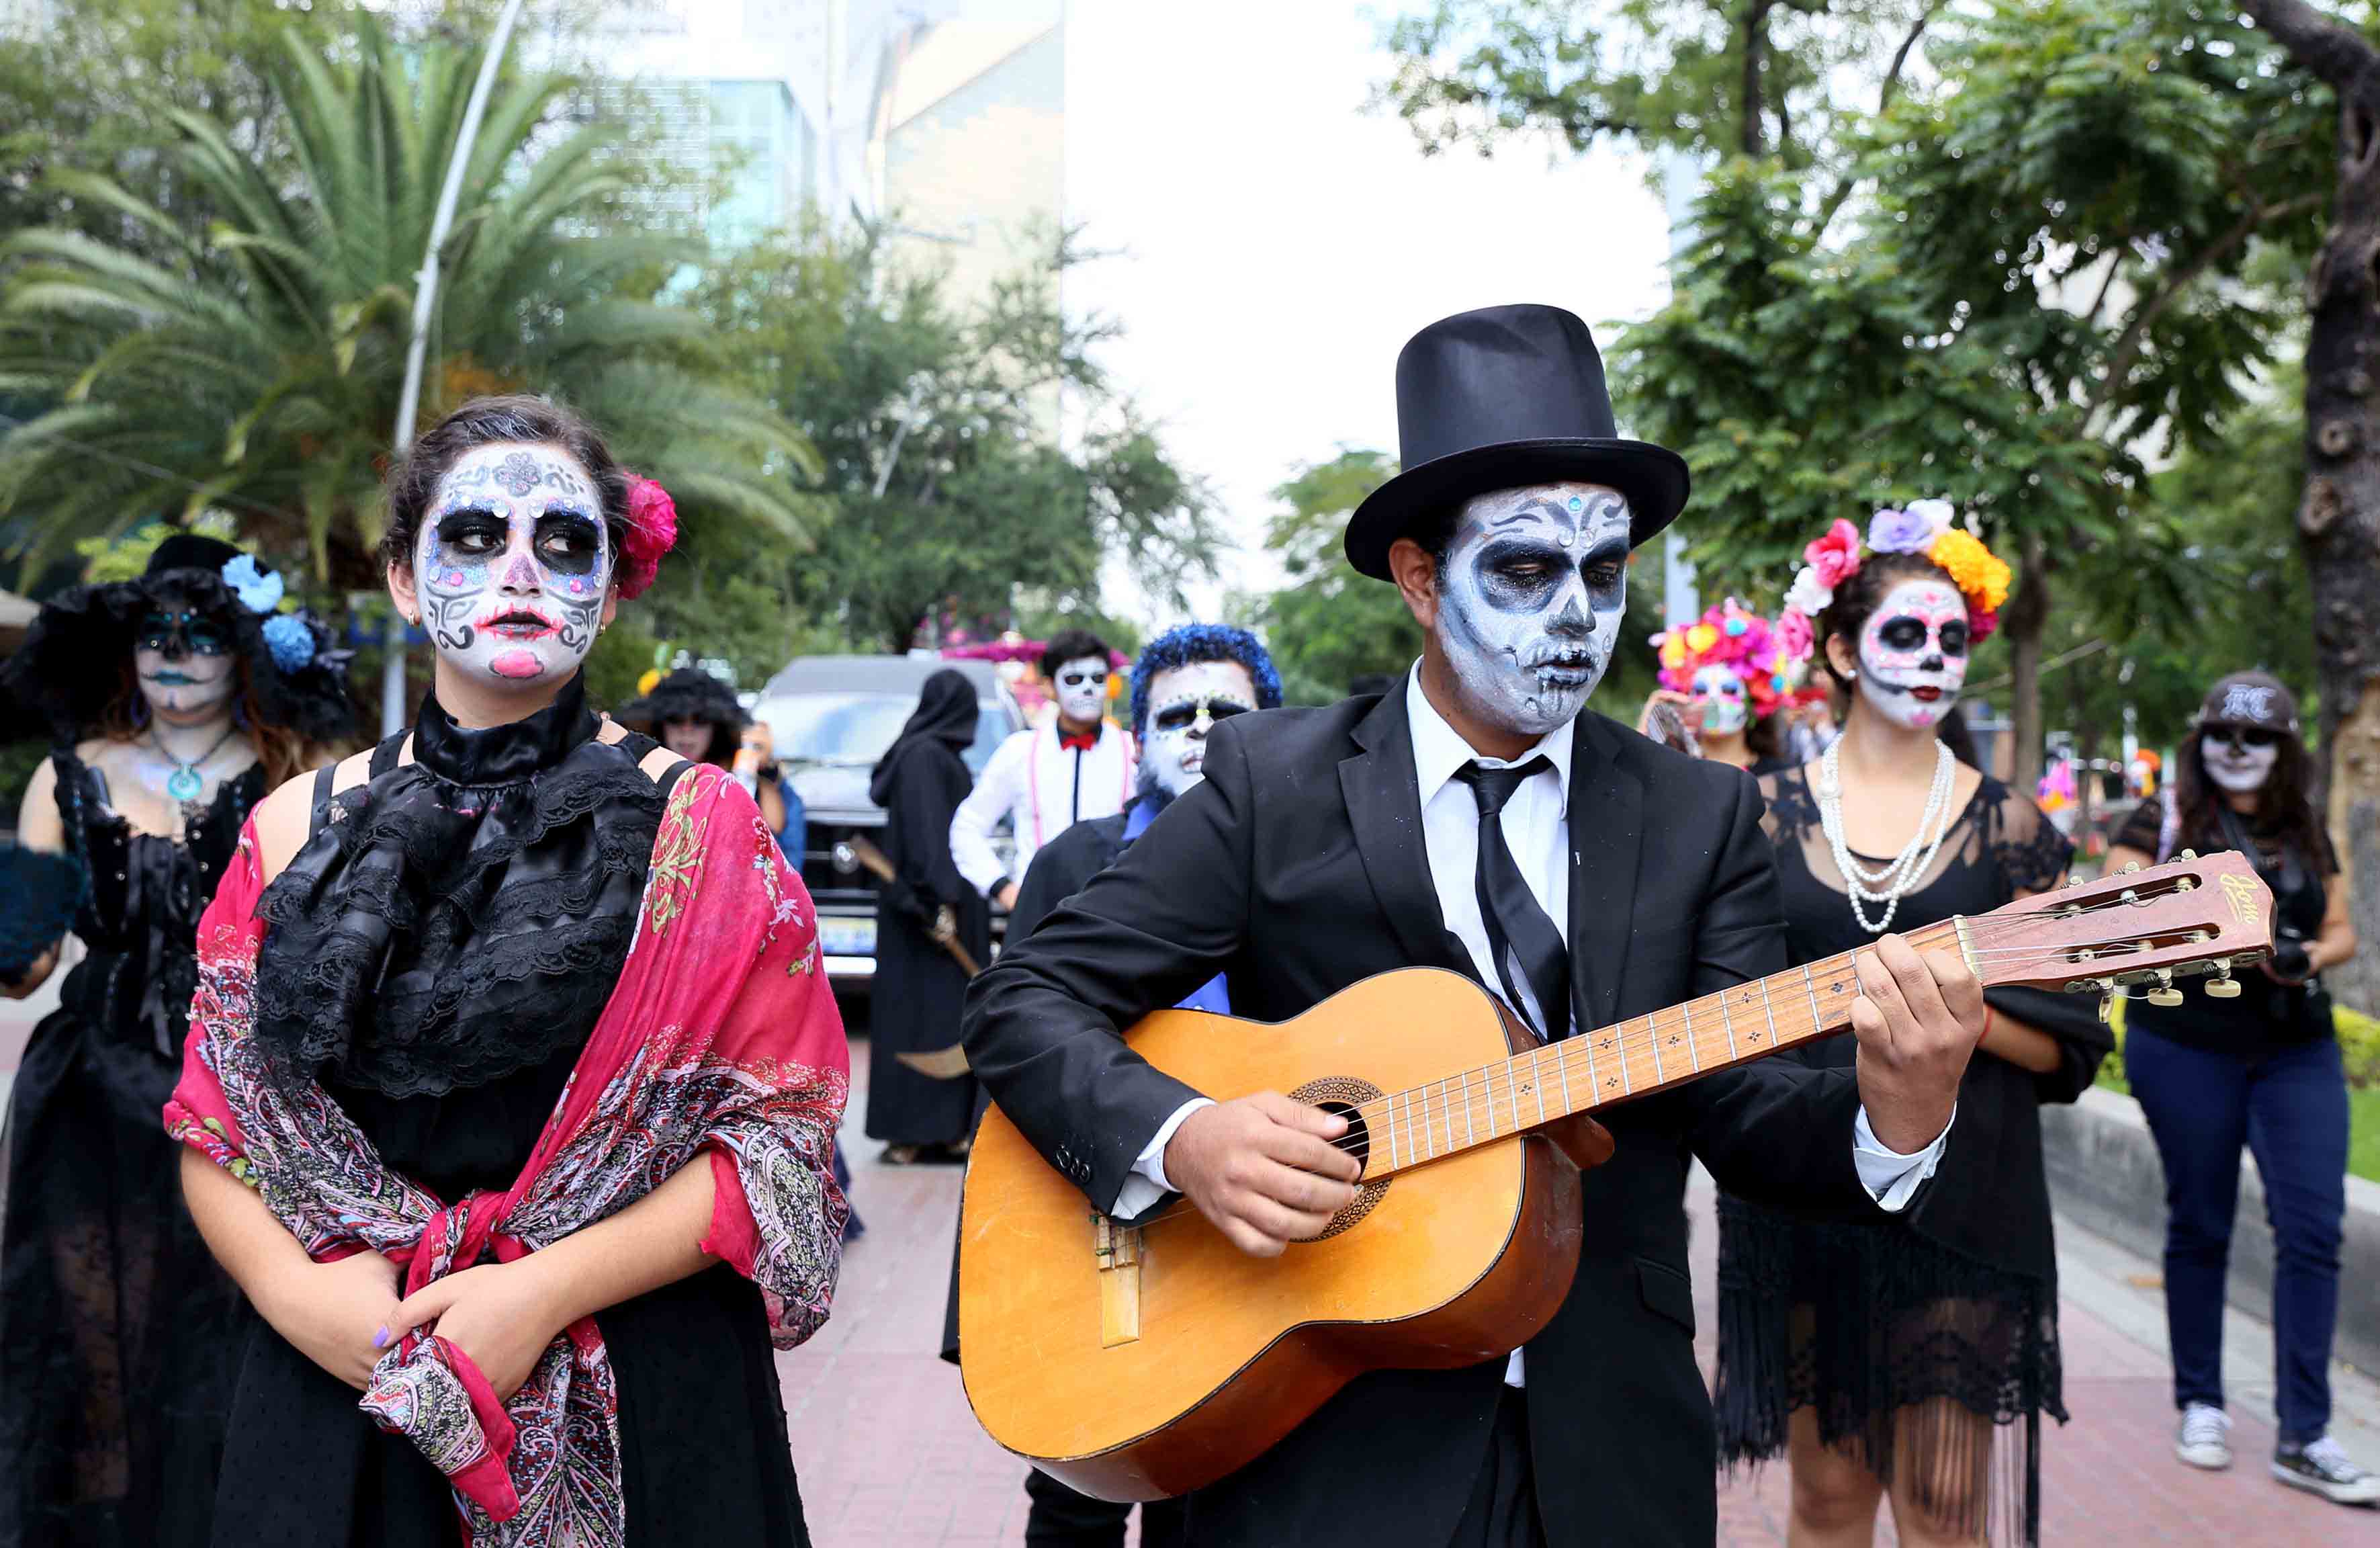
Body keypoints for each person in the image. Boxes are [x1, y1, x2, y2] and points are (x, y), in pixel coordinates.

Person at [959, 306, 1984, 1548]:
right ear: (1417, 578)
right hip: (1303, 1436)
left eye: (1600, 572)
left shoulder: (1699, 815)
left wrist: (1899, 1108)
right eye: (1521, 568)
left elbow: (1750, 1109)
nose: (1574, 615)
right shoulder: (1266, 781)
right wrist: (1185, 1141)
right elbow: (1024, 1000)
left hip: (1605, 1445)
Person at [165, 395, 849, 1545]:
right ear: (400, 576)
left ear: (611, 580)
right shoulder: (289, 826)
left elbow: (780, 1140)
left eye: (565, 540)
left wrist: (538, 1290)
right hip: (347, 1394)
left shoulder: (708, 827)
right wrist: (311, 1304)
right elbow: (214, 1127)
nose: (521, 565)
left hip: (643, 1384)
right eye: (474, 535)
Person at [1711, 504, 2111, 1547]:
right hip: (1803, 1192)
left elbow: (2071, 1047)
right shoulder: (1752, 815)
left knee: (1942, 1509)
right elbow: (1719, 1011)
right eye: (1904, 635)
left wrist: (1957, 1021)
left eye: (1950, 639)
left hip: (1966, 1200)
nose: (1932, 659)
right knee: (1828, 1502)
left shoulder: (2017, 829)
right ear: (1840, 650)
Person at [0, 533, 350, 1548]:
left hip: (248, 1107)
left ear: (243, 653)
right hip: (91, 1100)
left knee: (226, 1335)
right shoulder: (67, 779)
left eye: (202, 633)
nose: (175, 651)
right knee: (90, 1342)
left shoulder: (300, 778)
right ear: (123, 652)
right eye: (156, 633)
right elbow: (23, 963)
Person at [943, 623, 1284, 1548]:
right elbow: (1017, 1048)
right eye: (1177, 714)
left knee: (1213, 1475)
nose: (1201, 731)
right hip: (1089, 1210)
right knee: (1077, 1484)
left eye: (1227, 712)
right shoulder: (1071, 860)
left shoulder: (1304, 870)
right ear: (1140, 737)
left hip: (1246, 1232)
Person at [2104, 673, 2374, 1506]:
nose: (2239, 750)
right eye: (2223, 733)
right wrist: (2186, 928)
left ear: (2285, 749)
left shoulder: (2302, 828)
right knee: (2202, 1220)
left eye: (2258, 738)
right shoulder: (2164, 820)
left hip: (2296, 1048)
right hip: (2185, 1043)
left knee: (2312, 1228)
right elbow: (2107, 914)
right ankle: (2203, 1404)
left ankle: (2306, 1434)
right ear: (2199, 739)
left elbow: (2342, 931)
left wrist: (2302, 955)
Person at [867, 669, 990, 1164]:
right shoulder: (925, 757)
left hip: (922, 910)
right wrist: (942, 904)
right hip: (933, 913)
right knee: (932, 1020)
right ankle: (925, 1131)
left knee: (927, 1019)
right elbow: (926, 839)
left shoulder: (926, 754)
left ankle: (930, 1131)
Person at [948, 630, 1133, 909]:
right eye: (1074, 679)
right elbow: (967, 826)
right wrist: (1002, 887)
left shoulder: (1132, 750)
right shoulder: (1020, 751)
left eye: (1098, 679)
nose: (1088, 689)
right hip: (1038, 913)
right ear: (1048, 687)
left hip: (1113, 913)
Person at [1638, 597, 1806, 775]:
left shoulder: (1782, 778)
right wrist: (1643, 737)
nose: (1713, 700)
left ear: (1754, 698)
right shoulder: (1669, 775)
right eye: (1701, 690)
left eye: (1728, 690)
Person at [618, 665, 789, 834]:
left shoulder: (739, 774)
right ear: (660, 724)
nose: (687, 730)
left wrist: (764, 771)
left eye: (700, 720)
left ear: (716, 727)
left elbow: (773, 831)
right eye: (675, 719)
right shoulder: (640, 774)